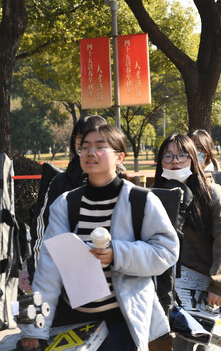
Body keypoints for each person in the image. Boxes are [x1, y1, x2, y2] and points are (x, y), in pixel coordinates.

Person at [19, 125, 179, 350]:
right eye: (85, 147)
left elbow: (167, 251)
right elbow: (47, 270)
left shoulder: (142, 201)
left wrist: (117, 254)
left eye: (100, 147)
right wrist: (32, 328)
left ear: (119, 157)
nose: (90, 153)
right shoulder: (65, 204)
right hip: (73, 319)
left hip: (125, 321)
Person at [153, 134, 221, 350]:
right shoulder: (152, 196)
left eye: (182, 155)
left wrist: (218, 285)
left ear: (193, 159)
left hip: (204, 290)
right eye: (168, 156)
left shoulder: (211, 195)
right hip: (163, 290)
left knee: (203, 345)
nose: (175, 161)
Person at [29, 115, 108, 279]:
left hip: (109, 271)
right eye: (82, 139)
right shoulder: (60, 182)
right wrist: (38, 269)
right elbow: (42, 226)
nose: (89, 146)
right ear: (75, 142)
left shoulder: (118, 182)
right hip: (66, 273)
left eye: (96, 140)